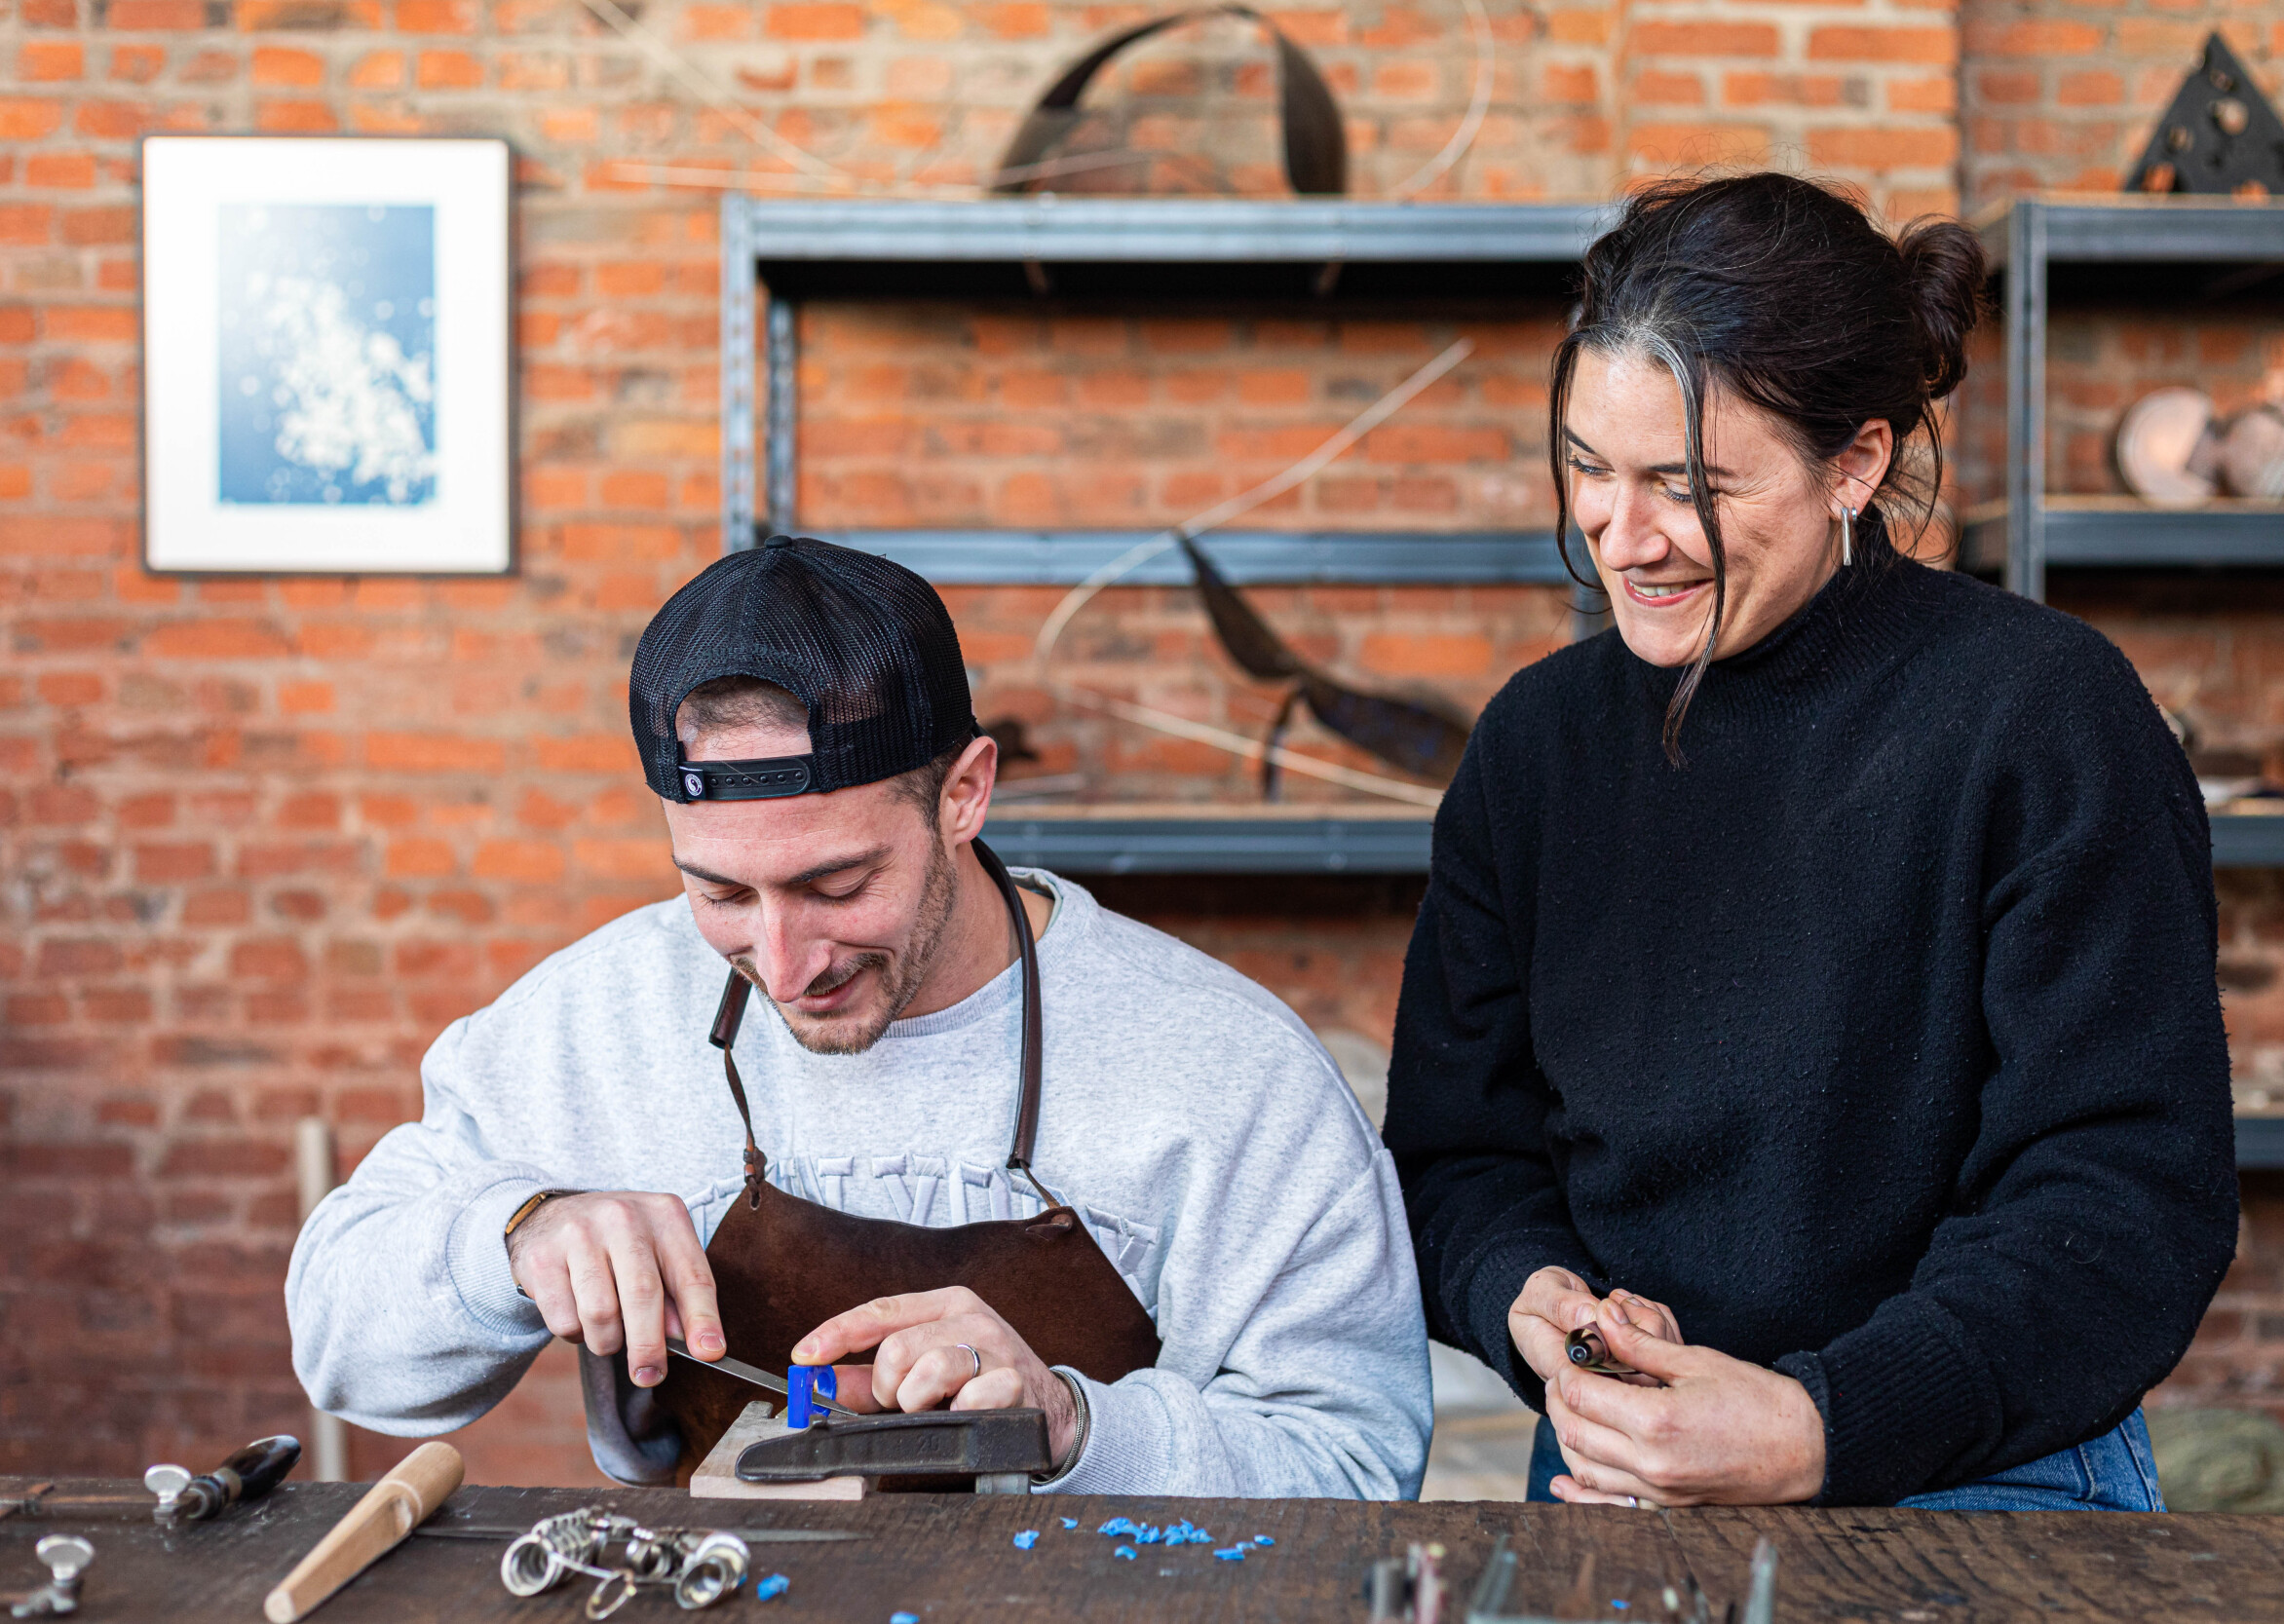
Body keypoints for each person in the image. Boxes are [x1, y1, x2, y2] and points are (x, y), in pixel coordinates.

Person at [1383, 173, 2238, 1511]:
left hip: (1982, 1462)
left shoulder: (2047, 719)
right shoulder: (1535, 749)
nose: (1624, 535)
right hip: (1627, 1459)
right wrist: (1527, 1296)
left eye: (1690, 484)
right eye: (1588, 467)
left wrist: (1819, 1421)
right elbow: (1456, 1151)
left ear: (1857, 462)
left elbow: (2125, 1202)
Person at [287, 537, 1428, 1498]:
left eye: (837, 885)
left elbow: (1360, 1457)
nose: (784, 963)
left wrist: (1080, 1426)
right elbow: (344, 1350)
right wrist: (510, 1234)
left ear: (965, 793)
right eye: (722, 893)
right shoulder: (592, 1020)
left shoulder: (1223, 1068)